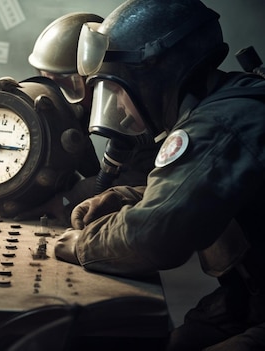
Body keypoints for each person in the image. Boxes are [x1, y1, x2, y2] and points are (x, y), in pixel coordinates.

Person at [54, 0, 265, 350]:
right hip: (248, 296)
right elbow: (210, 190)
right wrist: (129, 196)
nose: (119, 106)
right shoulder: (231, 101)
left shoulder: (217, 125)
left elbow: (155, 236)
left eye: (118, 89)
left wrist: (83, 245)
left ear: (154, 76)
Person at [16, 12, 158, 225]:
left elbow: (135, 182)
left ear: (98, 78)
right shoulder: (85, 107)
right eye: (48, 82)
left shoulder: (138, 112)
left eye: (66, 84)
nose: (57, 96)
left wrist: (69, 198)